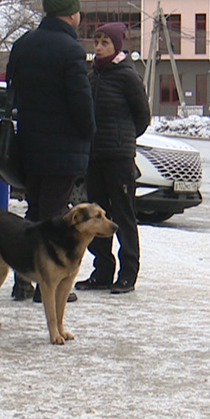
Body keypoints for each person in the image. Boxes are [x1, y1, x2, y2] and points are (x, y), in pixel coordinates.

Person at [6, 0, 96, 301]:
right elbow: (81, 102)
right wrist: (89, 132)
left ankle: (23, 279)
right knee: (56, 214)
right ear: (72, 14)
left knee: (34, 210)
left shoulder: (23, 45)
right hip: (63, 148)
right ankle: (49, 284)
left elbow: (12, 90)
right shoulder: (71, 49)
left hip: (28, 143)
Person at [75, 22, 150, 294]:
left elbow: (143, 117)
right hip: (93, 157)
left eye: (105, 42)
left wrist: (124, 139)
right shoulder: (92, 74)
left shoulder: (127, 76)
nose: (98, 47)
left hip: (118, 158)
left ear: (116, 46)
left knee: (123, 215)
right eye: (96, 42)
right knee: (96, 215)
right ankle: (102, 271)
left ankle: (128, 273)